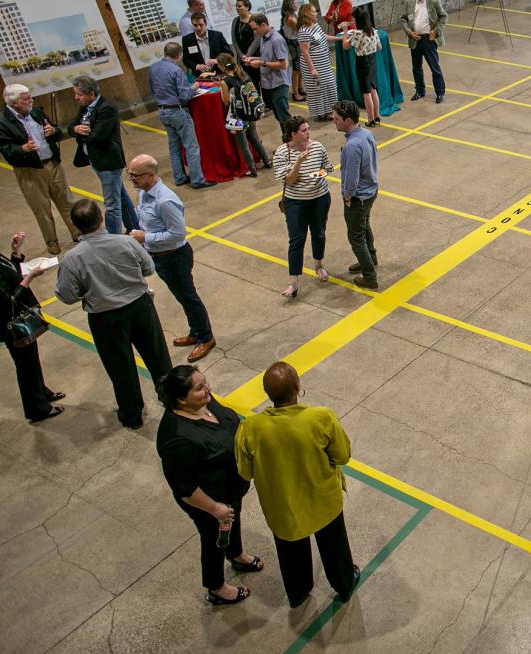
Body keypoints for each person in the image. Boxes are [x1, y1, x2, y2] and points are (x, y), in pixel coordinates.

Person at [234, 362, 360, 608]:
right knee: (334, 547)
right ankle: (344, 584)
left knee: (290, 552)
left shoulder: (250, 428)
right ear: (297, 387)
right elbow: (342, 455)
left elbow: (244, 471)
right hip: (322, 500)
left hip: (282, 507)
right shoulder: (320, 418)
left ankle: (298, 592)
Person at [54, 199, 173, 429]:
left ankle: (132, 414)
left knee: (120, 367)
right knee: (158, 356)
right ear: (101, 219)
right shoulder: (126, 243)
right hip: (140, 307)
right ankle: (173, 399)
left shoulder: (72, 259)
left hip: (105, 318)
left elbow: (67, 295)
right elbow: (148, 268)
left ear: (75, 225)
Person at [155, 366, 261, 606]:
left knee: (233, 520)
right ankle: (217, 588)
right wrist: (214, 509)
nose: (208, 389)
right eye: (199, 388)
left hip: (230, 490)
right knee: (214, 538)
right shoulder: (177, 439)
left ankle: (236, 554)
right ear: (181, 399)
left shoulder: (206, 404)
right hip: (207, 502)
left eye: (205, 382)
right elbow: (184, 488)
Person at [127, 154, 216, 363]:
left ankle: (206, 337)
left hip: (174, 257)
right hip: (160, 256)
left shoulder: (165, 201)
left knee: (188, 297)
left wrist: (145, 237)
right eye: (129, 174)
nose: (131, 179)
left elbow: (178, 234)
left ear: (150, 175)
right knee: (183, 297)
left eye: (135, 176)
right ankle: (196, 331)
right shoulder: (144, 192)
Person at [0, 84, 79, 253]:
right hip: (29, 171)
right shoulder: (1, 121)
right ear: (14, 103)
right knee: (42, 210)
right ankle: (52, 242)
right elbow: (4, 150)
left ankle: (77, 233)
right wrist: (22, 149)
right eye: (26, 99)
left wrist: (53, 130)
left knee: (67, 202)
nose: (31, 101)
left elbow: (56, 132)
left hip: (52, 164)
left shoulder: (34, 111)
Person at [0, 231, 64, 422]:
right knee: (25, 365)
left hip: (18, 319)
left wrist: (15, 253)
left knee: (31, 359)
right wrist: (30, 277)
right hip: (10, 325)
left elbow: (12, 275)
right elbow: (10, 301)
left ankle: (42, 393)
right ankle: (37, 409)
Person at [69, 75, 145, 234]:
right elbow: (71, 126)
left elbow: (97, 137)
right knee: (121, 196)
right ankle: (135, 228)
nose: (76, 98)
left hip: (108, 162)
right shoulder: (86, 107)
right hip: (96, 160)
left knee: (112, 205)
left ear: (91, 94)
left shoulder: (106, 108)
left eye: (79, 94)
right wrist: (76, 129)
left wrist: (80, 133)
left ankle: (113, 238)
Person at [273, 117, 333, 300]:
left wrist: (315, 175)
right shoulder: (282, 153)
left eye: (308, 129)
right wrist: (299, 161)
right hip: (295, 202)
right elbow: (289, 180)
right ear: (293, 134)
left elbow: (328, 168)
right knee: (296, 240)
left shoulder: (318, 147)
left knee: (319, 232)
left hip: (319, 198)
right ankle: (293, 282)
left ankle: (318, 265)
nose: (308, 133)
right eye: (304, 130)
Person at [145, 49, 214, 190]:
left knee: (174, 147)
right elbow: (184, 96)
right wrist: (194, 88)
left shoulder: (153, 68)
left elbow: (152, 89)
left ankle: (179, 177)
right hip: (178, 111)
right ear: (179, 55)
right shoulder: (176, 70)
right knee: (192, 147)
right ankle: (198, 179)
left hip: (163, 110)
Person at [334, 100, 378, 289]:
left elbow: (351, 178)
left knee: (355, 237)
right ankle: (371, 257)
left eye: (336, 119)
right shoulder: (366, 134)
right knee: (364, 225)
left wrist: (347, 196)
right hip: (371, 191)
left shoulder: (352, 146)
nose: (332, 120)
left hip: (358, 197)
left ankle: (369, 276)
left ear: (348, 120)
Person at [214, 53, 270, 177]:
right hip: (250, 112)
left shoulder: (225, 81)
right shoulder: (243, 74)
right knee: (254, 139)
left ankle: (252, 169)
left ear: (222, 67)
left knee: (243, 144)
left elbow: (226, 101)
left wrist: (222, 88)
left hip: (238, 115)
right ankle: (266, 161)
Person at [399, 0, 448, 104]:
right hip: (415, 40)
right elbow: (403, 19)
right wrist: (410, 33)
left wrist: (435, 31)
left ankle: (440, 93)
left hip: (428, 40)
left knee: (435, 68)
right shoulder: (409, 3)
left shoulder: (434, 2)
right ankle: (420, 90)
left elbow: (444, 17)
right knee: (416, 68)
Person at [243, 12, 293, 128]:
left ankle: (291, 141)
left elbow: (283, 64)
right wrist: (252, 58)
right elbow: (267, 58)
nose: (255, 32)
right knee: (278, 117)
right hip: (269, 84)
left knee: (284, 118)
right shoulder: (263, 38)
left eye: (255, 29)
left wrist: (262, 63)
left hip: (278, 84)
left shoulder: (276, 40)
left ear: (263, 25)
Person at [340, 7, 382, 126]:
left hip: (362, 63)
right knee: (374, 90)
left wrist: (344, 31)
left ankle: (370, 119)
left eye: (353, 18)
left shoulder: (358, 34)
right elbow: (380, 47)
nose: (352, 20)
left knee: (366, 93)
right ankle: (377, 116)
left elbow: (345, 46)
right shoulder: (373, 31)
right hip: (372, 61)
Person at [297, 3, 339, 121]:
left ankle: (330, 110)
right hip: (314, 66)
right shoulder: (303, 31)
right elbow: (305, 52)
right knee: (318, 89)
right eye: (313, 11)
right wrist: (312, 69)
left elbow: (323, 36)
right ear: (307, 14)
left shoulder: (315, 25)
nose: (316, 13)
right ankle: (322, 113)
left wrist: (338, 39)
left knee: (330, 86)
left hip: (324, 64)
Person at [181, 12, 229, 76]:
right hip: (200, 76)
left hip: (220, 72)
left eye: (201, 25)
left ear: (205, 24)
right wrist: (197, 66)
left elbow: (229, 53)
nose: (198, 28)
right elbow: (186, 59)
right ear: (192, 25)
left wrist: (217, 60)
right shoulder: (187, 40)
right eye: (195, 25)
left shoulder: (217, 35)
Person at [231, 0, 262, 88]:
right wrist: (242, 56)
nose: (237, 8)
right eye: (236, 6)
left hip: (255, 56)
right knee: (249, 84)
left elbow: (257, 40)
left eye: (239, 6)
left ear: (247, 7)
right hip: (242, 58)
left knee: (260, 82)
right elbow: (234, 40)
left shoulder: (254, 19)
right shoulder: (235, 20)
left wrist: (248, 56)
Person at [281, 0, 306, 101]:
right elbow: (300, 29)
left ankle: (300, 88)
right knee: (296, 69)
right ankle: (295, 93)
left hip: (297, 41)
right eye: (295, 3)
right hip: (293, 43)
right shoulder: (290, 18)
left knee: (300, 68)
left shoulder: (293, 15)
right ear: (290, 5)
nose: (297, 4)